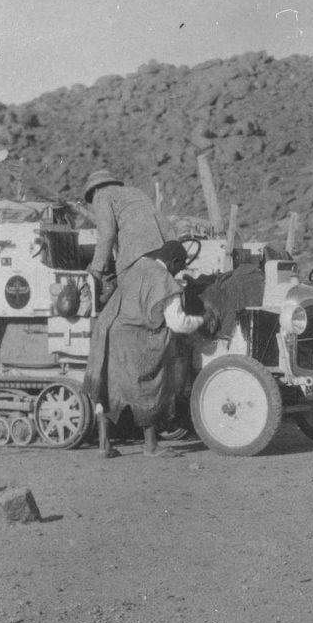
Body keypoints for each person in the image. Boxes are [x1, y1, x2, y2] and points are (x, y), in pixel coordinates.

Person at [81, 170, 204, 458]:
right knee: (149, 377)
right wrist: (200, 320)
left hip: (109, 327)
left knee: (110, 386)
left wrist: (96, 273)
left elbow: (106, 235)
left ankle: (104, 445)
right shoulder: (132, 194)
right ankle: (150, 446)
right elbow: (110, 235)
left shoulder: (103, 197)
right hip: (135, 327)